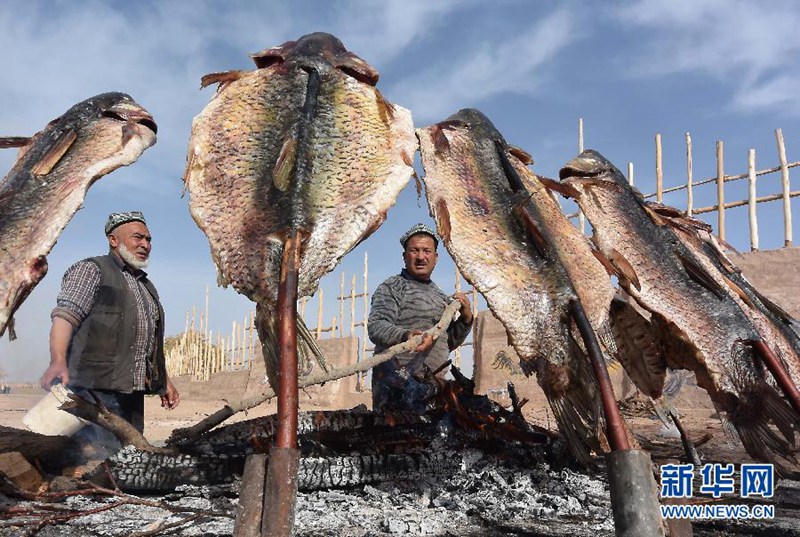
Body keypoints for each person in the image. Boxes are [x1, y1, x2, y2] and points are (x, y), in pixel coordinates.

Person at [39, 211, 179, 442]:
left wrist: (164, 381)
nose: (145, 244)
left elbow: (148, 342)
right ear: (113, 240)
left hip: (132, 395)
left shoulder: (146, 287)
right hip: (93, 392)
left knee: (129, 458)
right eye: (138, 237)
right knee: (87, 459)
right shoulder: (91, 270)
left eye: (148, 239)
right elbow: (66, 316)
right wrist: (57, 360)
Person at [368, 223, 473, 412]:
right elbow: (376, 327)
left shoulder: (441, 297)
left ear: (436, 257)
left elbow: (446, 342)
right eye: (414, 251)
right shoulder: (392, 287)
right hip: (396, 385)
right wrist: (406, 336)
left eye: (427, 251)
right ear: (404, 256)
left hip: (434, 386)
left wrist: (465, 320)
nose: (421, 257)